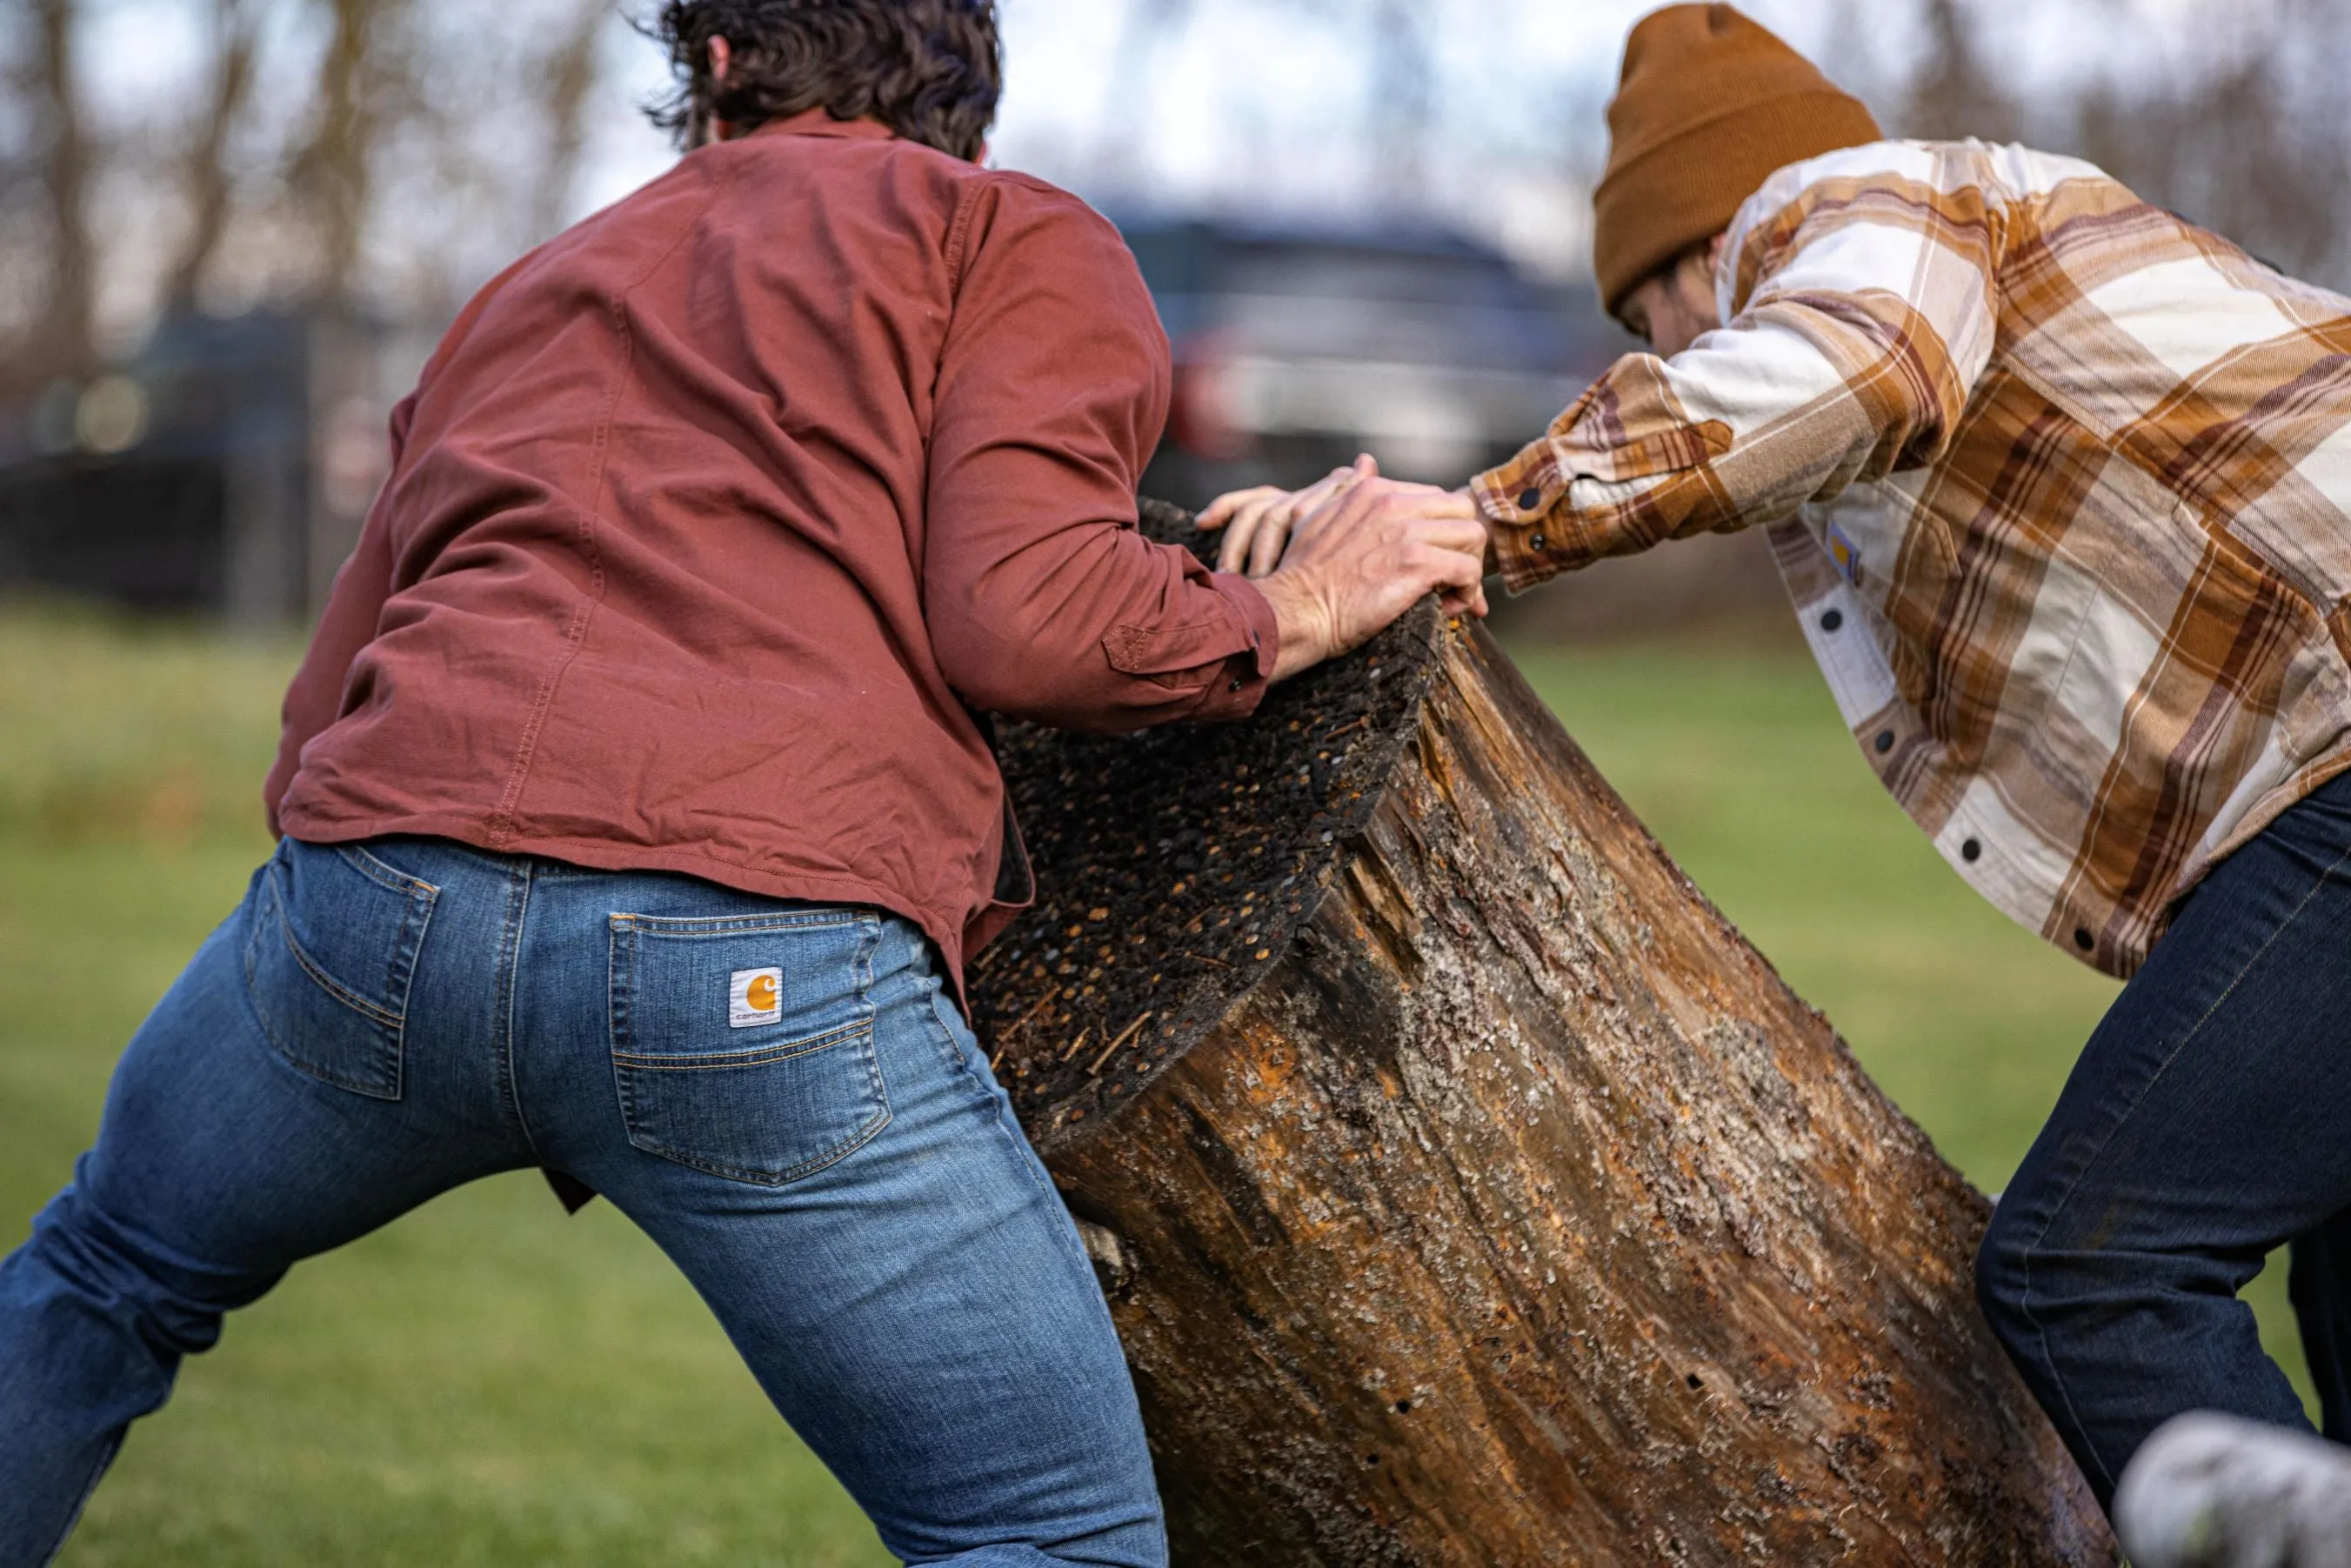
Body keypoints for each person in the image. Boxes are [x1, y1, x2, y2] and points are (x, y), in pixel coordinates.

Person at [0, 3, 1490, 1564]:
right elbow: (1030, 620)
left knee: (96, 1274)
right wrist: (1306, 600)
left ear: (712, 70)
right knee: (1048, 1531)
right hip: (755, 965)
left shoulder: (533, 281)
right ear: (968, 103)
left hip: (367, 915)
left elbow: (312, 732)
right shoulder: (1009, 236)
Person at [1207, 0, 2351, 1539]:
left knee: (2095, 1264)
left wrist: (1484, 516)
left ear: (1694, 248)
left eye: (1650, 320)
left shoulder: (1858, 210)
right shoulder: (1958, 242)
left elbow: (1861, 362)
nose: (1670, 353)